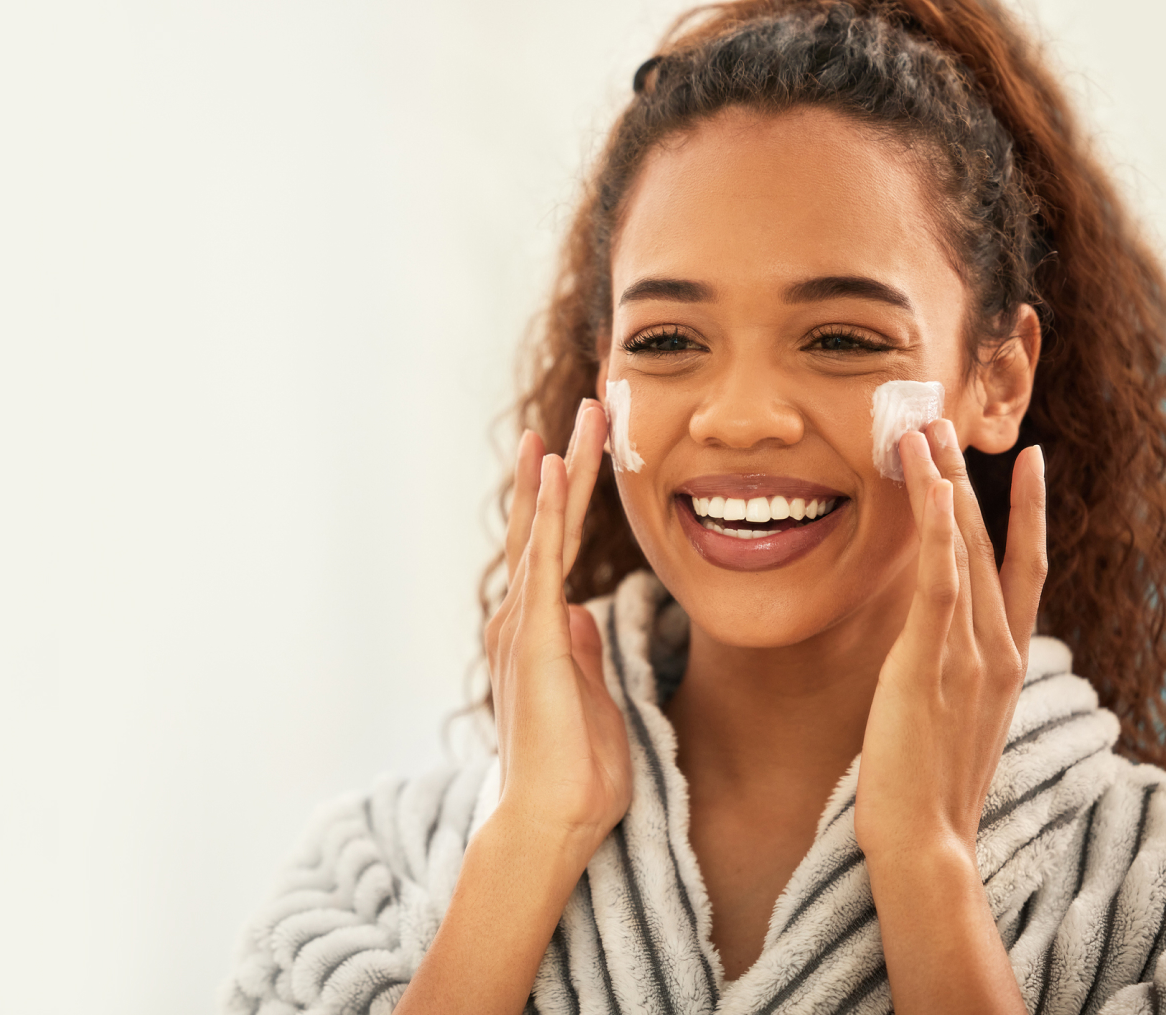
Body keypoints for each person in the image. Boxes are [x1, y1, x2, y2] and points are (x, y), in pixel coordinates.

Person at [222, 1, 1166, 1012]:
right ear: (602, 371)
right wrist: (525, 849)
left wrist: (928, 864)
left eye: (841, 339)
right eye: (667, 341)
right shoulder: (376, 871)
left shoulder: (1136, 895)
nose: (740, 417)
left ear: (996, 375)